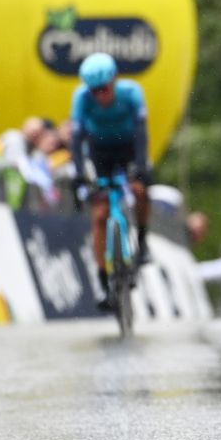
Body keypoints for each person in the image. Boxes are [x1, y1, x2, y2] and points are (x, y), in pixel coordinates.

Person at [69, 52, 152, 311]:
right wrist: (79, 174)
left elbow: (141, 133)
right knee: (99, 215)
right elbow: (75, 140)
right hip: (100, 151)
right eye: (94, 91)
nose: (100, 96)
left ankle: (143, 238)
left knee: (139, 190)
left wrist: (139, 167)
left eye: (104, 89)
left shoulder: (131, 93)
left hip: (129, 148)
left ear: (114, 81)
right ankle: (104, 280)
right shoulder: (81, 99)